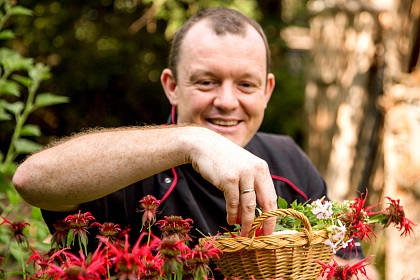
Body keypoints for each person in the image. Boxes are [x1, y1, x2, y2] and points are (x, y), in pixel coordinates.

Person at [12, 7, 377, 279]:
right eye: (206, 82)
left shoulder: (290, 161)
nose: (227, 101)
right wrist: (193, 140)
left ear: (267, 91)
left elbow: (346, 263)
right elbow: (32, 180)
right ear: (171, 86)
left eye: (246, 85)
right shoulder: (126, 163)